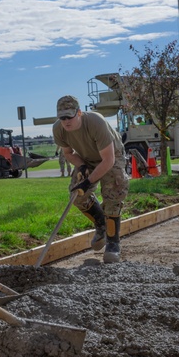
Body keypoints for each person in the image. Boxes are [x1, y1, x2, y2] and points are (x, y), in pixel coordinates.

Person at [52, 95, 128, 263]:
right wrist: (82, 167)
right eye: (62, 118)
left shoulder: (95, 122)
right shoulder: (59, 129)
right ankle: (101, 224)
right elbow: (68, 153)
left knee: (114, 194)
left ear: (79, 113)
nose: (65, 121)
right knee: (78, 196)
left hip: (112, 157)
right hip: (86, 159)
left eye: (69, 117)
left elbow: (108, 160)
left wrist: (89, 181)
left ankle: (113, 243)